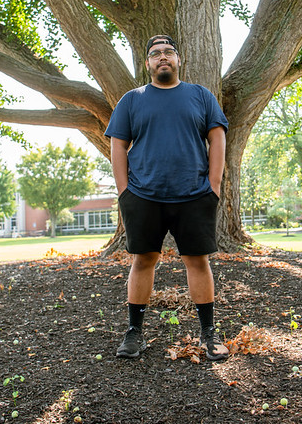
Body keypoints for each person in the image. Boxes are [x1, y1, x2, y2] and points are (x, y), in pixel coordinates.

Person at [104, 34, 230, 361]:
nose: (163, 57)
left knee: (197, 261)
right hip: (144, 196)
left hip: (194, 195)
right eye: (156, 53)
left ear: (178, 60)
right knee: (143, 260)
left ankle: (208, 333)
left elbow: (217, 137)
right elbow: (117, 144)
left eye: (169, 52)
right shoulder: (132, 100)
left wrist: (213, 185)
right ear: (147, 63)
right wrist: (123, 191)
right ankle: (134, 333)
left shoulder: (200, 96)